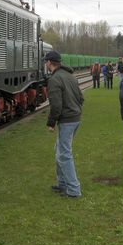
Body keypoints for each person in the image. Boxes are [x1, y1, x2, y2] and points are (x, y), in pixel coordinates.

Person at [45, 50, 84, 198]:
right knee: (59, 149)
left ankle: (74, 190)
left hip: (67, 120)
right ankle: (62, 183)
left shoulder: (55, 79)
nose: (45, 64)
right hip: (75, 118)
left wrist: (51, 123)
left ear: (49, 62)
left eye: (46, 62)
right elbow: (81, 98)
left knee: (64, 154)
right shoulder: (70, 76)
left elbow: (56, 106)